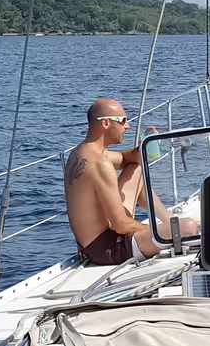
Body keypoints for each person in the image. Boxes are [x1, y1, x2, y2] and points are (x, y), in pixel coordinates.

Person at [63, 98, 178, 265]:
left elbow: (125, 159)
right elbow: (121, 225)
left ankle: (169, 219)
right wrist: (161, 232)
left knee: (136, 168)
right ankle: (172, 225)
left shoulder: (85, 151)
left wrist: (142, 148)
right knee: (189, 228)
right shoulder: (99, 165)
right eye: (123, 120)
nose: (127, 126)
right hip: (108, 248)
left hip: (103, 236)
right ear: (106, 123)